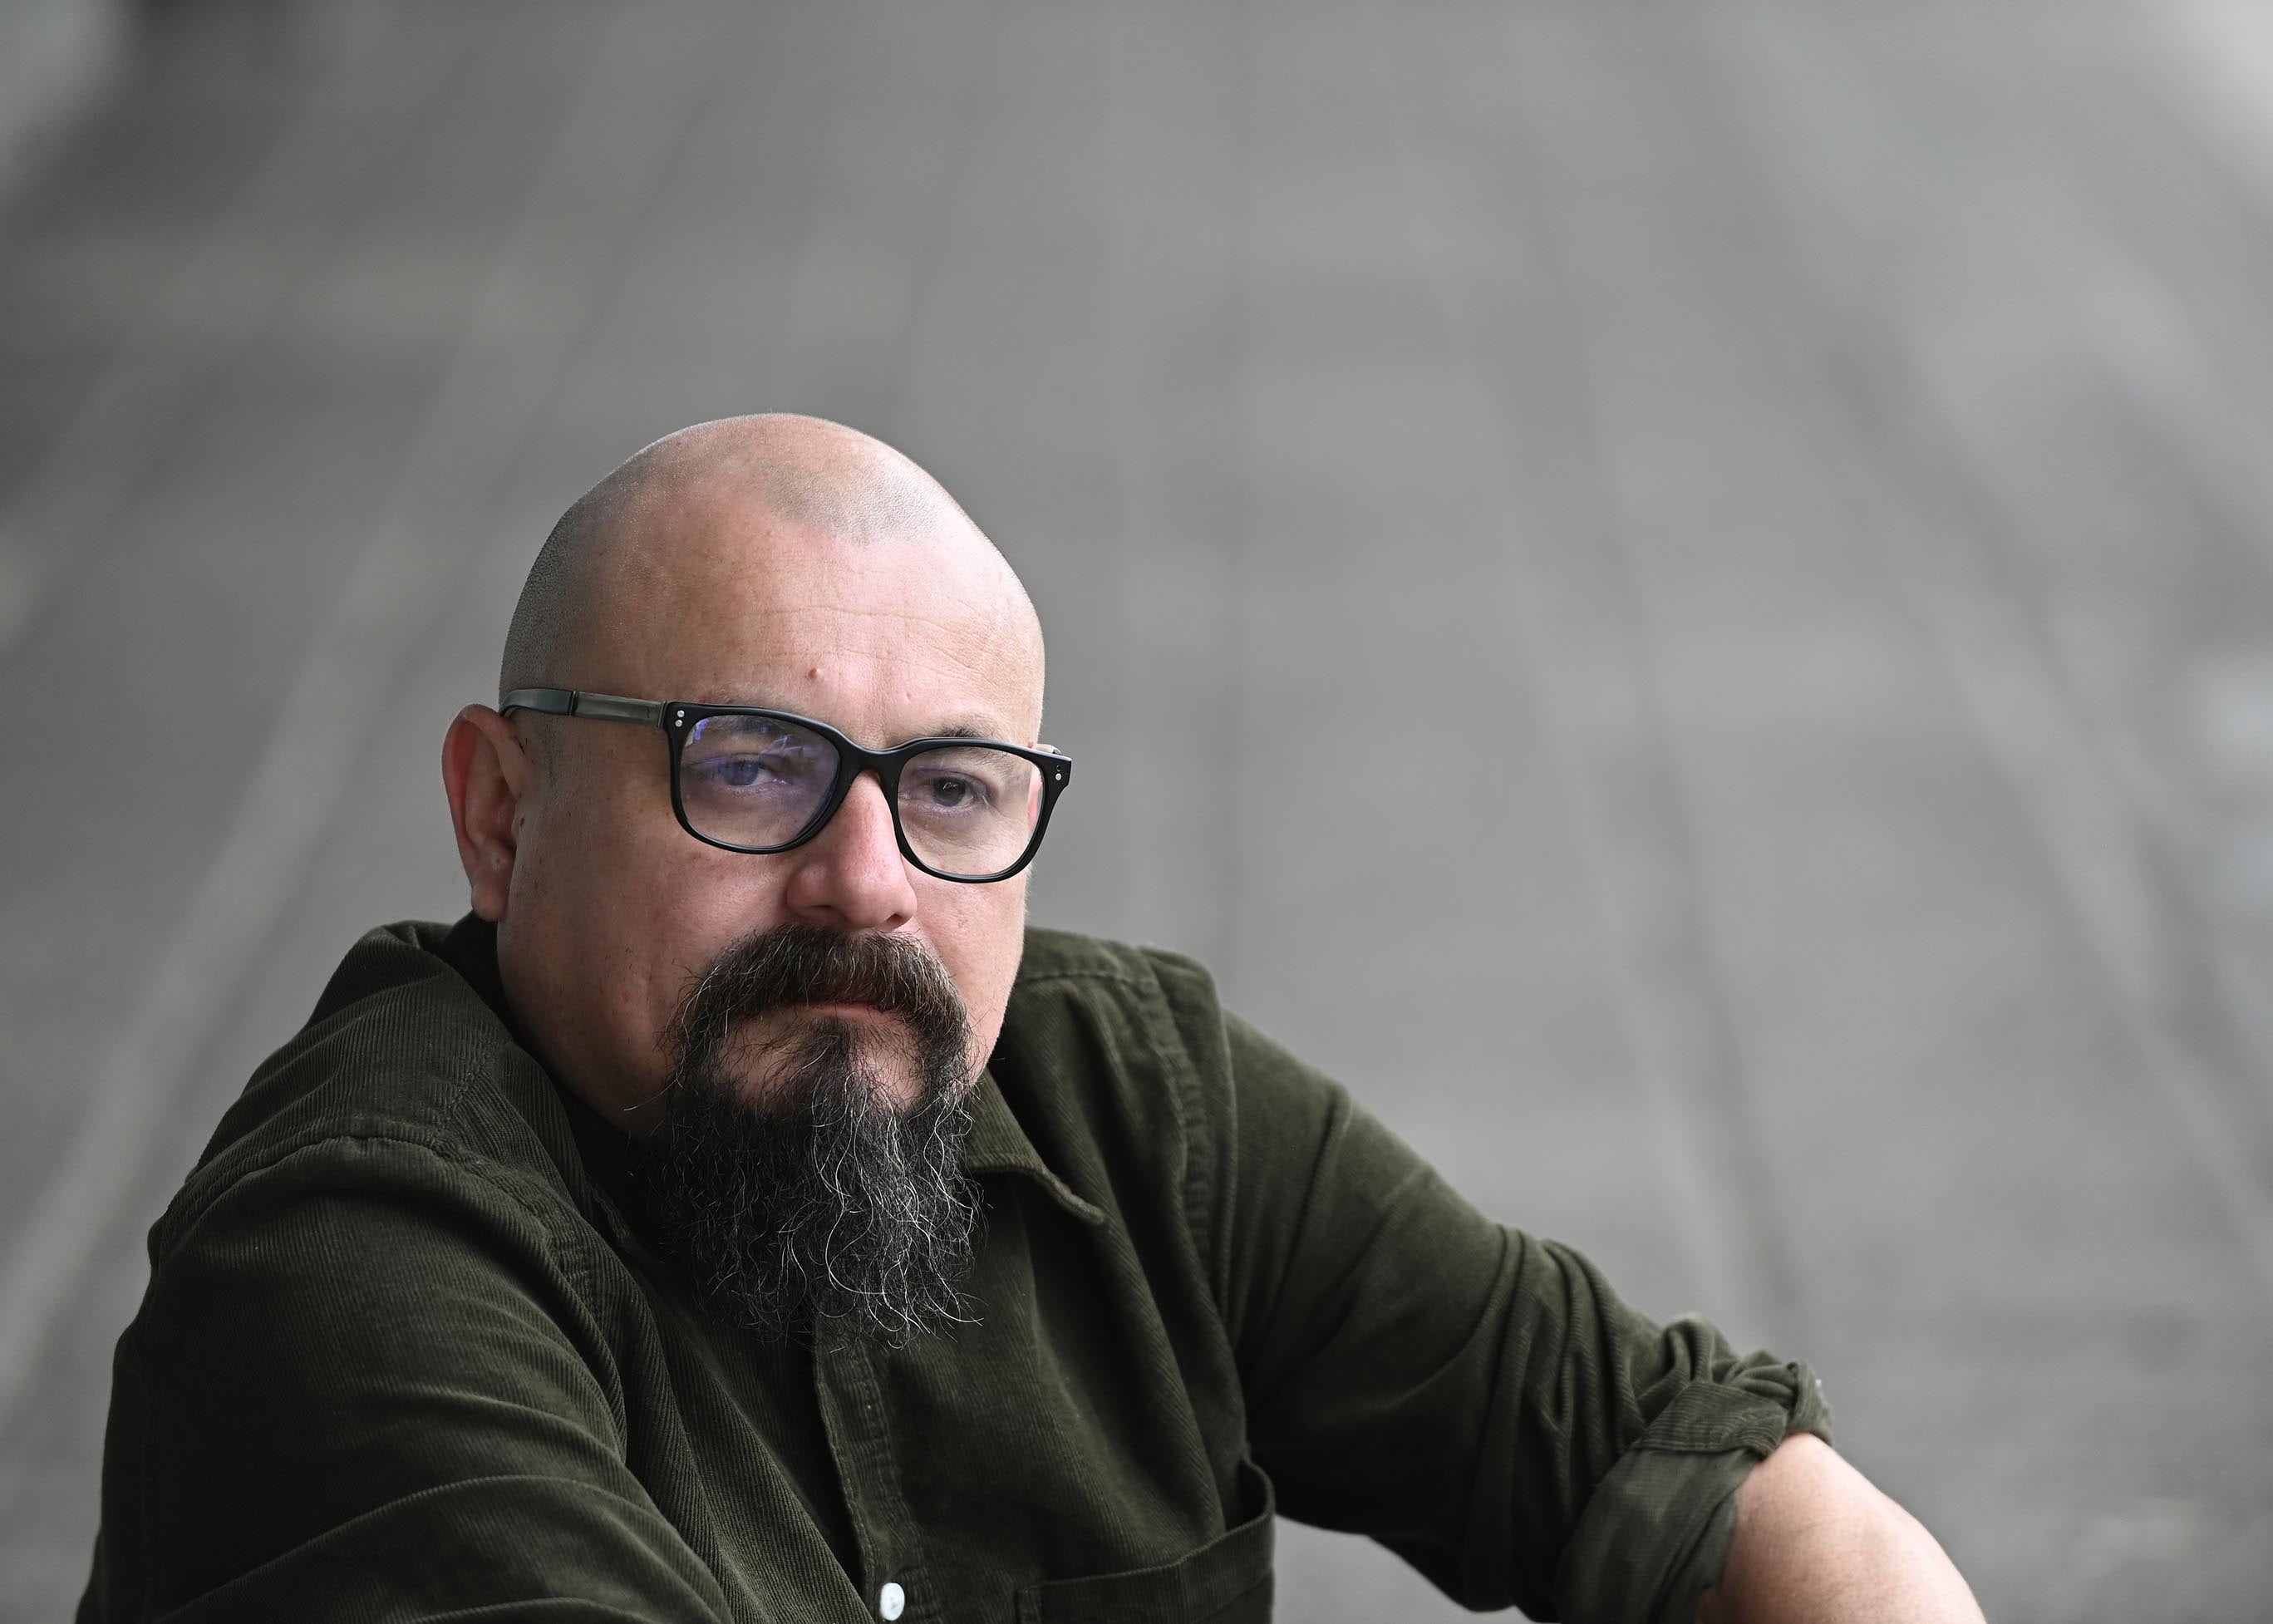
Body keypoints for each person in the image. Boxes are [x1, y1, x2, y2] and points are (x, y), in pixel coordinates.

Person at [78, 416, 1982, 1623]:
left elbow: (1664, 1450)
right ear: (502, 812)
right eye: (751, 766)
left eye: (957, 787)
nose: (867, 880)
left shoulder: (1130, 1100)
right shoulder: (343, 1268)